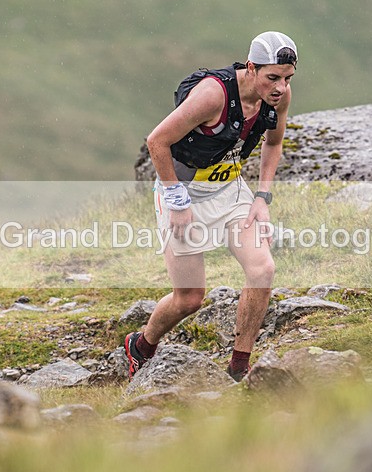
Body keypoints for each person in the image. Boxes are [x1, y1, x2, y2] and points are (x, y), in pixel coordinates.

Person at [125, 31, 298, 382]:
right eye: (272, 78)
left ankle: (239, 368)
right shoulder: (212, 95)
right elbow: (157, 140)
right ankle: (141, 345)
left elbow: (273, 143)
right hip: (183, 191)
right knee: (189, 298)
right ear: (251, 68)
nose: (280, 88)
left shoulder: (278, 97)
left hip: (229, 190)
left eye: (287, 78)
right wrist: (176, 201)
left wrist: (262, 197)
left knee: (262, 269)